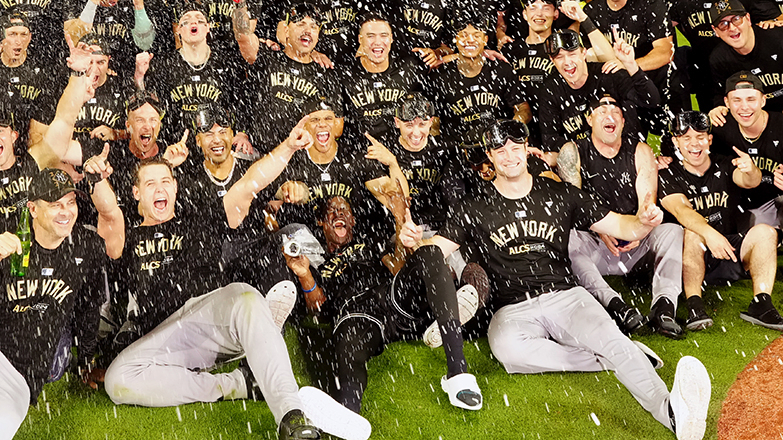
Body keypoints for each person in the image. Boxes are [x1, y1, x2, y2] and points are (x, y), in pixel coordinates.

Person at [398, 118, 712, 440]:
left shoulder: (560, 193)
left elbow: (622, 227)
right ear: (490, 157)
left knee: (612, 339)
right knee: (507, 351)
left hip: (565, 295)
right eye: (500, 150)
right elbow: (435, 251)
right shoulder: (474, 206)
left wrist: (645, 221)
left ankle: (674, 414)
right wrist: (414, 240)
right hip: (510, 309)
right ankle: (612, 358)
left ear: (525, 149)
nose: (509, 156)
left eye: (515, 148)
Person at [102, 118, 371, 440]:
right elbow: (107, 213)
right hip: (164, 336)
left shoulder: (199, 221)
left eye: (165, 181)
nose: (160, 189)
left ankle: (291, 415)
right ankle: (241, 383)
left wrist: (288, 146)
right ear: (135, 193)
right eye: (150, 184)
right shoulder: (127, 235)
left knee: (244, 295)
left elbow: (248, 186)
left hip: (207, 318)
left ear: (175, 186)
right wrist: (96, 177)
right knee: (118, 380)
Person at [284, 195, 483, 414]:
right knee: (349, 345)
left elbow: (398, 266)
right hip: (356, 312)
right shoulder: (316, 261)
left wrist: (404, 231)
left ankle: (458, 372)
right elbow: (317, 309)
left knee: (430, 252)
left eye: (345, 210)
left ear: (353, 220)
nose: (339, 213)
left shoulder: (370, 241)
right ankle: (348, 412)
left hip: (391, 297)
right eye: (332, 210)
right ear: (321, 222)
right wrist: (304, 275)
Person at [559, 95, 685, 339]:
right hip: (595, 243)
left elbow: (646, 201)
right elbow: (575, 206)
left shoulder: (640, 150)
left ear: (623, 121)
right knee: (568, 238)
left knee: (673, 231)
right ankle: (617, 307)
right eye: (602, 110)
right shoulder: (572, 151)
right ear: (589, 119)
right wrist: (602, 230)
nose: (610, 115)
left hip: (636, 245)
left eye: (615, 111)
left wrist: (641, 228)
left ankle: (664, 307)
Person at [660, 110, 783, 331]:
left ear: (710, 139)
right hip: (690, 256)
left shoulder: (724, 164)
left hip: (728, 249)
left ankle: (761, 303)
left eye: (700, 137)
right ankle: (694, 304)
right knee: (692, 231)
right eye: (686, 138)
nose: (694, 144)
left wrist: (752, 169)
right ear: (676, 141)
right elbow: (681, 211)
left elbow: (749, 181)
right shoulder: (667, 172)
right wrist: (710, 234)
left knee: (766, 232)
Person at [134, 5, 252, 152]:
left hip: (216, 144)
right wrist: (139, 76)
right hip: (175, 144)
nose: (193, 23)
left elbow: (242, 100)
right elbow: (147, 105)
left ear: (208, 27)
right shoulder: (163, 64)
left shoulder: (226, 62)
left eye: (200, 20)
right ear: (178, 29)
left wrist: (241, 133)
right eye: (186, 21)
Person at [500, 0, 616, 146]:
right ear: (524, 14)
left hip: (562, 127)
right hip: (524, 129)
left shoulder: (566, 48)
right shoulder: (510, 50)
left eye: (546, 8)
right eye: (533, 8)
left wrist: (582, 19)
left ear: (556, 14)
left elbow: (609, 61)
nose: (539, 14)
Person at [235, 3, 339, 153]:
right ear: (286, 30)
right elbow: (243, 36)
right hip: (257, 152)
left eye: (314, 27)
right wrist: (240, 5)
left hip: (301, 156)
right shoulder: (268, 57)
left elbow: (337, 125)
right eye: (301, 24)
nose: (307, 30)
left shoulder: (325, 74)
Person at [538, 29, 659, 155]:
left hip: (624, 155)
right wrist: (588, 153)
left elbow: (651, 100)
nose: (567, 62)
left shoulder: (607, 74)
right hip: (582, 161)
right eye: (559, 57)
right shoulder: (551, 89)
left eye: (572, 54)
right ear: (552, 61)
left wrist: (631, 65)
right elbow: (550, 140)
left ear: (584, 53)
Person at [426, 11, 531, 144]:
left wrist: (511, 129)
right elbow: (434, 123)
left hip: (497, 144)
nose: (470, 40)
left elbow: (523, 109)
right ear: (455, 39)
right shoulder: (441, 76)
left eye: (476, 36)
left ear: (485, 40)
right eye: (463, 35)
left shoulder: (501, 70)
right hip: (459, 148)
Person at [709, 71, 783, 228]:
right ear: (726, 103)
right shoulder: (719, 127)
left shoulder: (780, 125)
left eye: (751, 99)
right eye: (736, 100)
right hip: (746, 206)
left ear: (763, 100)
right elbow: (687, 146)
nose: (744, 107)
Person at [340, 12, 429, 140]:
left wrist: (439, 53)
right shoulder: (344, 74)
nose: (378, 42)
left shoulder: (410, 67)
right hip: (359, 150)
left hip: (400, 148)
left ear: (392, 38)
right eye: (370, 36)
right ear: (360, 39)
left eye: (384, 36)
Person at [709, 0, 783, 113]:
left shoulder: (777, 38)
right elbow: (720, 94)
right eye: (723, 24)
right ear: (716, 31)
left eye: (737, 19)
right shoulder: (719, 59)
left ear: (748, 19)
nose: (732, 28)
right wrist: (719, 108)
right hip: (757, 117)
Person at [0, 13, 58, 153]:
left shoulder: (41, 74)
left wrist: (28, 165)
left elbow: (38, 132)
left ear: (30, 37)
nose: (18, 41)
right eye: (12, 34)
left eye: (23, 34)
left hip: (29, 151)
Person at [63, 0, 155, 78]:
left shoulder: (131, 4)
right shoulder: (75, 2)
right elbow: (73, 40)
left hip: (122, 76)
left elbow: (145, 44)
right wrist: (92, 3)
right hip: (83, 73)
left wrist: (139, 7)